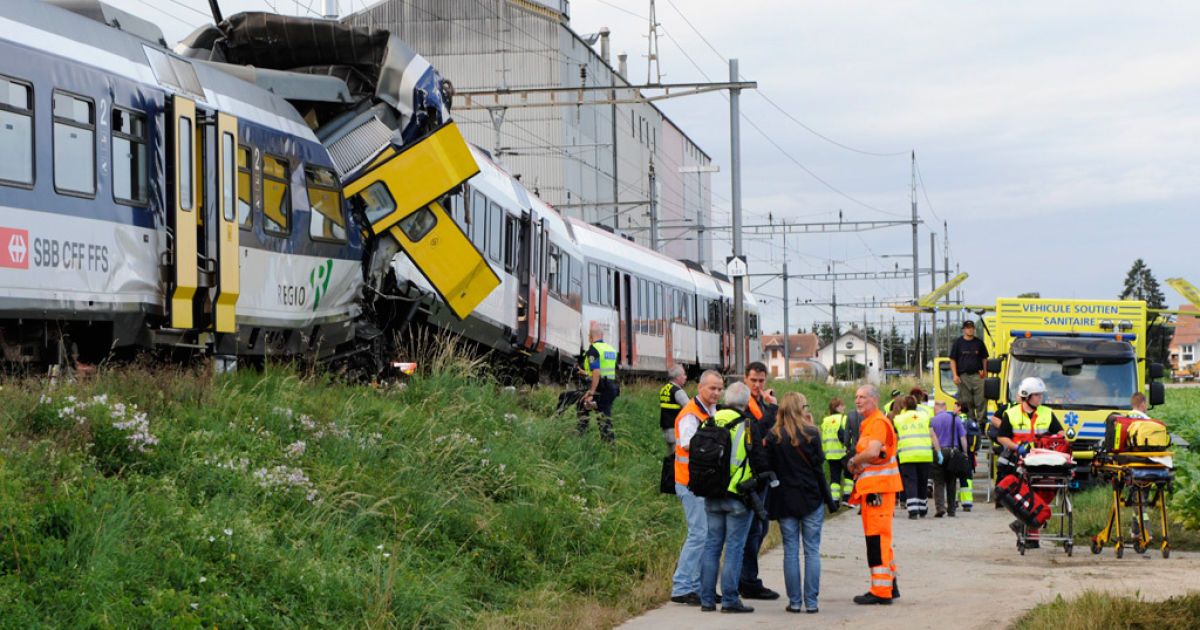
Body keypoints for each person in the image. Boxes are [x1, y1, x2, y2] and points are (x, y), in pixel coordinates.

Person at [763, 392, 839, 614]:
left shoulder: (773, 435)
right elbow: (818, 467)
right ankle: (812, 602)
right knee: (812, 550)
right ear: (800, 408)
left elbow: (769, 466)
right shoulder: (812, 433)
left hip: (785, 500)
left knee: (790, 551)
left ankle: (795, 602)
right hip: (811, 497)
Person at [699, 382, 764, 613]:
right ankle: (729, 600)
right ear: (746, 403)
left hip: (711, 494)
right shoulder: (747, 424)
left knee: (712, 546)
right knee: (734, 548)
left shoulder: (710, 420)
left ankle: (706, 599)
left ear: (726, 399)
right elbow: (758, 459)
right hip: (738, 496)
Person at [668, 370, 723, 606]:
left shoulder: (711, 411)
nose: (716, 393)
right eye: (712, 388)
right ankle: (682, 586)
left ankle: (701, 587)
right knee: (699, 534)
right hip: (689, 483)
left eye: (720, 389)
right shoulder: (690, 414)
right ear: (700, 387)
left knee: (706, 534)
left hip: (702, 483)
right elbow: (691, 445)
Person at [845, 384, 903, 605]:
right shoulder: (869, 423)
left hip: (878, 491)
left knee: (876, 540)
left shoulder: (877, 423)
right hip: (875, 490)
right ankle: (891, 584)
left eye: (863, 397)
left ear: (875, 400)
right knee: (881, 539)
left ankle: (881, 591)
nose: (858, 401)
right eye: (856, 397)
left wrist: (853, 461)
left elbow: (870, 452)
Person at [996, 376, 1064, 548]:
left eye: (1041, 395)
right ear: (1027, 396)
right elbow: (1001, 437)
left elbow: (1061, 433)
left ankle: (1024, 524)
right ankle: (1031, 536)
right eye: (1037, 395)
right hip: (1021, 461)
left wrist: (1050, 443)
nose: (1040, 398)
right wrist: (1017, 447)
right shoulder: (1011, 414)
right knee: (1027, 493)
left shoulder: (1046, 413)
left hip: (1043, 461)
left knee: (1048, 491)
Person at [738, 361, 781, 601]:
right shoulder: (741, 404)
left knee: (759, 528)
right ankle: (748, 581)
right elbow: (753, 433)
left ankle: (747, 579)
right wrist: (773, 412)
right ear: (745, 379)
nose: (757, 385)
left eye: (761, 381)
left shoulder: (761, 403)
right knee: (753, 530)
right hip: (750, 476)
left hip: (763, 474)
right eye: (753, 380)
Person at [894, 395, 942, 519]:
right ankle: (923, 509)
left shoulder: (898, 419)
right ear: (917, 405)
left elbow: (894, 437)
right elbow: (933, 436)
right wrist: (938, 451)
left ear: (904, 406)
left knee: (911, 482)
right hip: (924, 455)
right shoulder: (925, 417)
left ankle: (913, 511)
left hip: (907, 455)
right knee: (922, 482)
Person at [579, 322, 619, 443]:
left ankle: (609, 446)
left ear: (590, 337)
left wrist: (591, 391)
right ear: (602, 335)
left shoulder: (593, 350)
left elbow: (596, 371)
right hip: (612, 387)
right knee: (601, 413)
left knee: (603, 417)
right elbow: (613, 370)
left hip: (602, 387)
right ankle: (604, 443)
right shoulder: (611, 349)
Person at [930, 400, 967, 517]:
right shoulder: (955, 418)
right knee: (951, 481)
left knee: (939, 481)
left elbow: (932, 438)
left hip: (938, 452)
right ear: (945, 407)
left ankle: (940, 507)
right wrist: (965, 452)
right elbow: (962, 437)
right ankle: (952, 509)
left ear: (936, 408)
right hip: (952, 453)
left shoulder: (933, 420)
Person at [949, 320, 989, 425]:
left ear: (974, 329)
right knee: (966, 402)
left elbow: (984, 359)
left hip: (978, 376)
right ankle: (971, 423)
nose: (970, 329)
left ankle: (981, 425)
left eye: (972, 327)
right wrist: (955, 375)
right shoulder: (958, 343)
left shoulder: (979, 343)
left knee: (981, 400)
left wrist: (985, 373)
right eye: (967, 327)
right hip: (963, 377)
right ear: (964, 329)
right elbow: (952, 360)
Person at [819, 399, 851, 503]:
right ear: (837, 407)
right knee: (848, 475)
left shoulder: (825, 421)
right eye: (842, 406)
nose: (844, 407)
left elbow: (824, 437)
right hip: (843, 453)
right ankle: (847, 498)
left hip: (830, 454)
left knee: (835, 478)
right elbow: (848, 435)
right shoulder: (844, 418)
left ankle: (835, 500)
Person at [659, 366, 690, 454]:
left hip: (666, 426)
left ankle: (669, 467)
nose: (685, 377)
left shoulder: (665, 389)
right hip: (676, 429)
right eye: (683, 375)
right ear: (678, 377)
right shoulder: (678, 392)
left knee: (670, 454)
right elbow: (689, 409)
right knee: (677, 456)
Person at [957, 400, 981, 511]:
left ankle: (954, 501)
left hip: (957, 452)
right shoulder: (972, 422)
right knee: (967, 479)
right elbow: (978, 439)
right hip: (970, 454)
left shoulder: (956, 420)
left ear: (959, 408)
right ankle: (967, 503)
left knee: (953, 478)